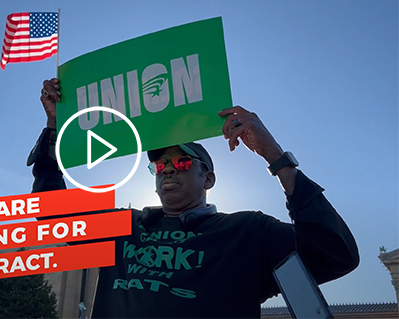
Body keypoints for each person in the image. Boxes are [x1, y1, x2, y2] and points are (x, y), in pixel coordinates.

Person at [27, 78, 359, 318]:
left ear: (208, 178)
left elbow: (335, 254)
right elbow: (53, 216)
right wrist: (55, 129)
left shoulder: (248, 233)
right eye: (160, 165)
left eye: (183, 162)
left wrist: (276, 157)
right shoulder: (126, 226)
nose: (169, 170)